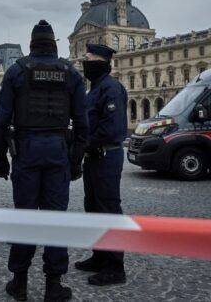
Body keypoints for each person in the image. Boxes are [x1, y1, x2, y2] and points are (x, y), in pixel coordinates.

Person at [0, 20, 88, 302]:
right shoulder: (71, 73)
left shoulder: (17, 71)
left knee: (24, 216)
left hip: (26, 150)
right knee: (55, 218)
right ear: (54, 45)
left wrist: (0, 158)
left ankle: (20, 282)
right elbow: (82, 124)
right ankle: (53, 285)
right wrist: (76, 161)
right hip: (58, 150)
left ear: (32, 45)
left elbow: (1, 121)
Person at [75, 44, 128, 285]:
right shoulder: (95, 88)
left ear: (101, 62)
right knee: (93, 208)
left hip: (107, 156)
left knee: (108, 209)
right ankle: (99, 256)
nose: (85, 62)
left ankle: (115, 267)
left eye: (88, 58)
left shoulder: (111, 88)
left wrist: (85, 142)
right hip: (95, 157)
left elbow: (112, 129)